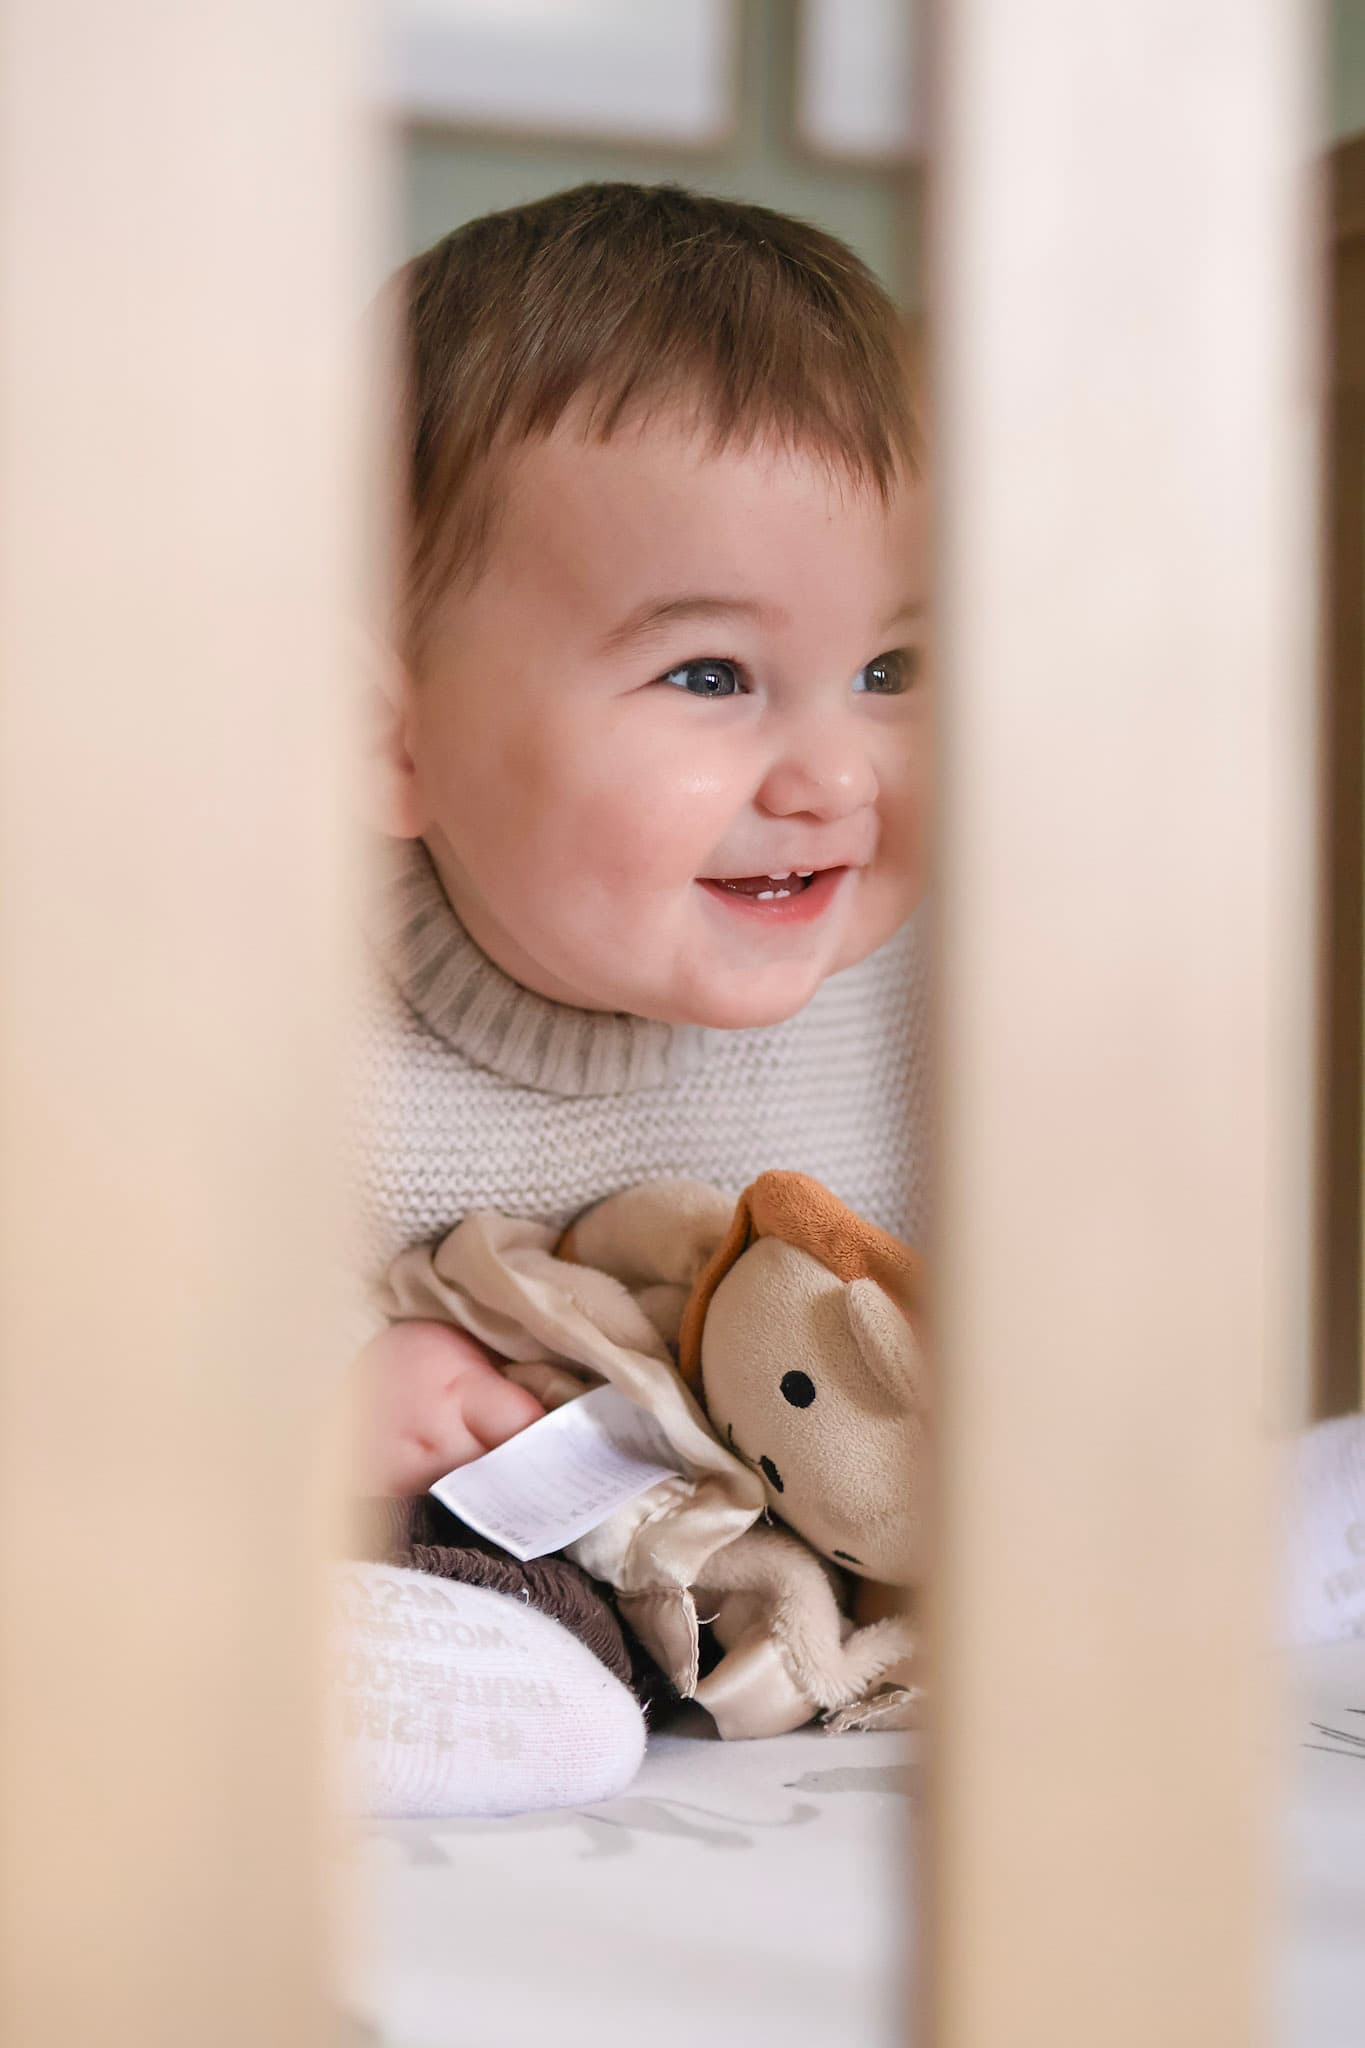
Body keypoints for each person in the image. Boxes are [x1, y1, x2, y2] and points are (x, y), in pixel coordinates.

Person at [339, 182, 930, 1818]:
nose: (833, 773)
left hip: (786, 1555)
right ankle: (368, 1676)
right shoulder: (267, 1008)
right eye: (709, 675)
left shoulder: (946, 1011)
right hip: (465, 1553)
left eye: (891, 671)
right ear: (391, 738)